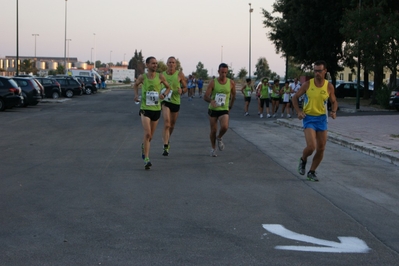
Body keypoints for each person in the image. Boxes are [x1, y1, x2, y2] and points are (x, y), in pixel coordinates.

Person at [292, 60, 338, 181]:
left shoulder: (329, 86)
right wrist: (299, 111)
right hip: (309, 118)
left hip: (322, 119)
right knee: (311, 147)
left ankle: (312, 172)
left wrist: (333, 111)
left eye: (319, 71)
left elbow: (334, 101)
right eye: (315, 71)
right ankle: (303, 159)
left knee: (321, 148)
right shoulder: (308, 84)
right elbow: (295, 97)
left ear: (325, 71)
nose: (317, 73)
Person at [133, 56, 171, 170]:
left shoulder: (160, 76)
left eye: (156, 63)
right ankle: (147, 159)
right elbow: (135, 85)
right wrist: (136, 95)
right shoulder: (143, 77)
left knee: (150, 137)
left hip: (156, 109)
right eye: (153, 63)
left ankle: (144, 146)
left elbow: (168, 87)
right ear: (147, 65)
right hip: (145, 109)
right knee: (148, 133)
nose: (155, 65)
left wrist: (163, 95)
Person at [204, 63, 236, 157]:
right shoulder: (213, 82)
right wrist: (211, 100)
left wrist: (230, 106)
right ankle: (213, 148)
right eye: (222, 72)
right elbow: (205, 96)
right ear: (218, 72)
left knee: (225, 127)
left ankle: (219, 137)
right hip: (213, 109)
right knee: (213, 130)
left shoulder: (231, 83)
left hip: (224, 108)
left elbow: (233, 95)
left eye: (225, 72)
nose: (224, 75)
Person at [161, 56, 187, 156]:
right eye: (169, 62)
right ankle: (165, 145)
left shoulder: (179, 74)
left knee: (171, 125)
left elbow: (185, 88)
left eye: (173, 62)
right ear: (167, 64)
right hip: (165, 101)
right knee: (167, 123)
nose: (171, 64)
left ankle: (167, 139)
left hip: (176, 101)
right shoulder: (162, 75)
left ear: (175, 65)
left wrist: (182, 91)